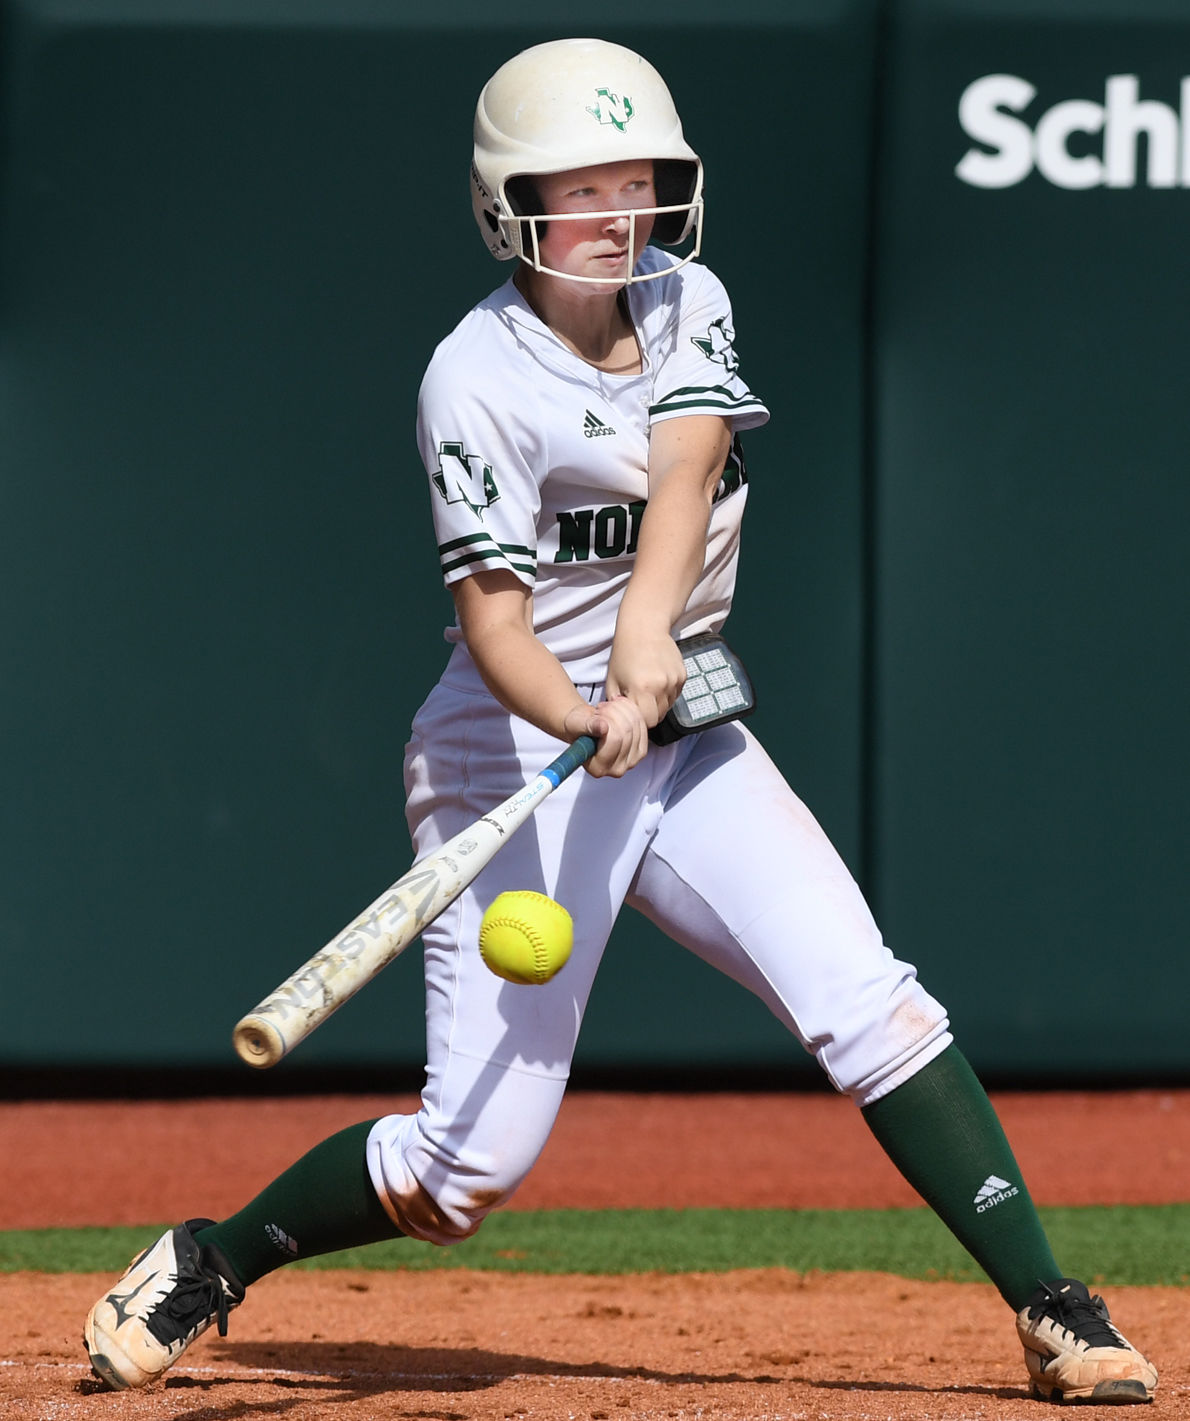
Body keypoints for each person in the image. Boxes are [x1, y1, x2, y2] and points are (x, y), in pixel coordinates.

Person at [84, 37, 1156, 1405]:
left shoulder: (682, 291)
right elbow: (493, 628)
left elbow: (686, 461)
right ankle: (210, 1256)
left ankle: (1051, 1305)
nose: (615, 212)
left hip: (676, 724)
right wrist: (581, 707)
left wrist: (644, 649)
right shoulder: (470, 380)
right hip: (512, 750)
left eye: (634, 181)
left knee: (870, 1000)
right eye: (576, 187)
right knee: (466, 1168)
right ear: (505, 202)